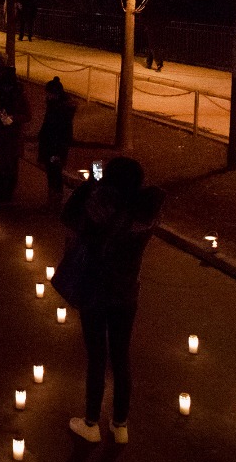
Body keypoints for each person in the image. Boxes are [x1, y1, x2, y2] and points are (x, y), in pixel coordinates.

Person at [57, 156, 164, 444]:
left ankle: (91, 423)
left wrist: (90, 184)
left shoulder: (100, 208)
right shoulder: (145, 213)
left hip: (95, 289)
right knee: (120, 356)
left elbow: (68, 215)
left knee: (96, 356)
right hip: (127, 292)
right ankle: (120, 425)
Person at [0, 56, 30, 202]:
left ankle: (7, 192)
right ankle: (1, 188)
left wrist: (13, 118)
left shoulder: (18, 95)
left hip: (12, 136)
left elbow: (27, 114)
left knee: (9, 165)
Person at [38, 77, 77, 206]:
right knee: (52, 171)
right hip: (52, 144)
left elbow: (58, 129)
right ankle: (52, 198)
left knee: (55, 171)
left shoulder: (61, 109)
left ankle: (55, 199)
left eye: (48, 93)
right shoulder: (54, 106)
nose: (47, 96)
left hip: (56, 145)